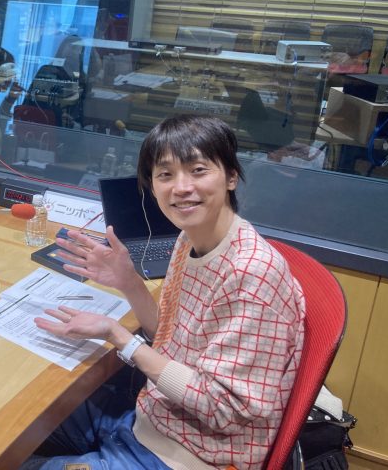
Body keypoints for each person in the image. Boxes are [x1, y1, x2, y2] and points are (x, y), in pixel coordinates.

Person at [28, 114, 305, 470]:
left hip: (190, 456)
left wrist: (120, 337)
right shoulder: (188, 240)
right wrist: (130, 282)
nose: (181, 187)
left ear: (231, 176)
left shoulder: (251, 274)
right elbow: (169, 338)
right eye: (165, 174)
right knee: (20, 417)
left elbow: (224, 409)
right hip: (149, 420)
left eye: (198, 170)